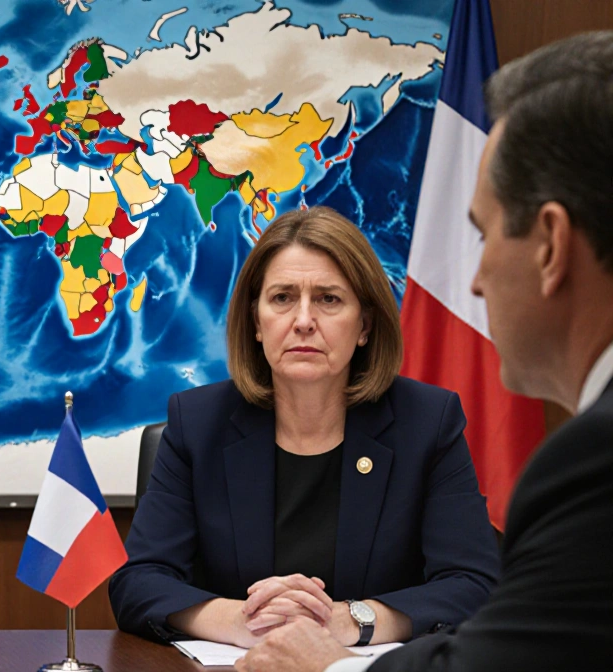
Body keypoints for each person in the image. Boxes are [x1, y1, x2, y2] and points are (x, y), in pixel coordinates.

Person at [236, 30, 613, 672]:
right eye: (281, 300)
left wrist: (324, 662)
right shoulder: (200, 420)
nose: (473, 281)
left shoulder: (592, 462)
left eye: (485, 234)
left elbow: (496, 654)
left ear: (549, 245)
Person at [109, 206, 500, 650]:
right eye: (282, 298)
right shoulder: (198, 425)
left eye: (329, 299)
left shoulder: (427, 423)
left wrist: (352, 621)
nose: (303, 320)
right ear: (256, 322)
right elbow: (137, 583)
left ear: (365, 325)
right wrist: (244, 620)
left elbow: (475, 585)